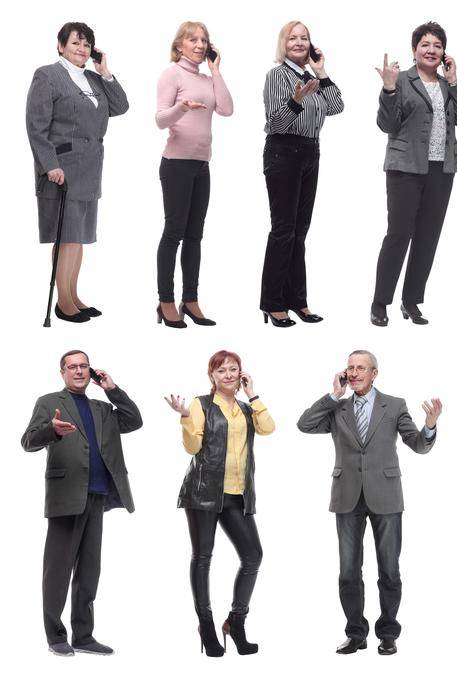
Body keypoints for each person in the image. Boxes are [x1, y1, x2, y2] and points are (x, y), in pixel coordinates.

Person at [297, 350, 440, 655]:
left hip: (386, 496)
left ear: (374, 373)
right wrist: (333, 396)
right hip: (346, 496)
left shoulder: (395, 405)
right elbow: (304, 425)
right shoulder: (338, 408)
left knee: (389, 569)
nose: (354, 372)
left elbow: (418, 445)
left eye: (361, 367)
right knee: (348, 570)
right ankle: (355, 633)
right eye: (350, 367)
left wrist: (429, 426)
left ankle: (388, 632)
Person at [22, 350, 141, 656]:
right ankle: (55, 636)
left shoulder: (102, 407)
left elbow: (134, 420)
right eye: (72, 367)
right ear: (62, 373)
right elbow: (28, 441)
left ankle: (84, 636)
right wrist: (52, 431)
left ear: (92, 371)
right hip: (66, 496)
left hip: (98, 495)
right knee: (58, 570)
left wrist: (112, 388)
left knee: (90, 570)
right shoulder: (49, 403)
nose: (78, 371)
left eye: (84, 366)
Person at [167, 350, 273, 656]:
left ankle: (236, 621)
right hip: (202, 493)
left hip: (237, 494)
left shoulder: (245, 407)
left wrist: (253, 396)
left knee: (253, 556)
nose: (228, 375)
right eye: (221, 370)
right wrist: (186, 418)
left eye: (233, 370)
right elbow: (193, 447)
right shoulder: (201, 405)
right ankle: (206, 624)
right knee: (203, 557)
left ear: (241, 374)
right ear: (212, 376)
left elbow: (268, 428)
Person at [372, 22, 457, 327]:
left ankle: (411, 301)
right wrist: (389, 88)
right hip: (405, 167)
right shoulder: (401, 80)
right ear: (414, 49)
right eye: (425, 45)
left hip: (441, 169)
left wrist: (455, 81)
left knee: (428, 237)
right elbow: (387, 125)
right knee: (399, 234)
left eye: (437, 46)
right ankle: (380, 302)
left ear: (444, 52)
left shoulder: (447, 84)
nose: (431, 50)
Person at [27, 23, 128, 323]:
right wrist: (50, 166)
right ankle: (63, 302)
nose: (82, 49)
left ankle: (73, 296)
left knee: (79, 237)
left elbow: (121, 106)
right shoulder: (47, 76)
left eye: (87, 45)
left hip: (90, 168)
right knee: (66, 236)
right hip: (62, 169)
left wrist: (106, 72)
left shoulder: (94, 79)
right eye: (76, 43)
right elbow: (36, 127)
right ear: (60, 45)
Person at [258, 21, 344, 327]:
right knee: (283, 230)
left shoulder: (311, 76)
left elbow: (337, 106)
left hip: (310, 152)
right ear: (283, 44)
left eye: (304, 38)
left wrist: (321, 72)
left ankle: (297, 300)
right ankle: (272, 302)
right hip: (283, 152)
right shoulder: (277, 75)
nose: (299, 42)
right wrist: (296, 100)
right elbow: (276, 122)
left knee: (300, 232)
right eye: (292, 38)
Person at [155, 21, 232, 328]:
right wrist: (181, 108)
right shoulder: (172, 74)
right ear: (179, 46)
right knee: (173, 233)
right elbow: (160, 119)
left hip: (202, 166)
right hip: (176, 165)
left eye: (204, 40)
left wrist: (215, 71)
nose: (200, 45)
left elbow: (226, 109)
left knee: (195, 236)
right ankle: (165, 301)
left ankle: (191, 299)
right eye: (193, 40)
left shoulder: (205, 77)